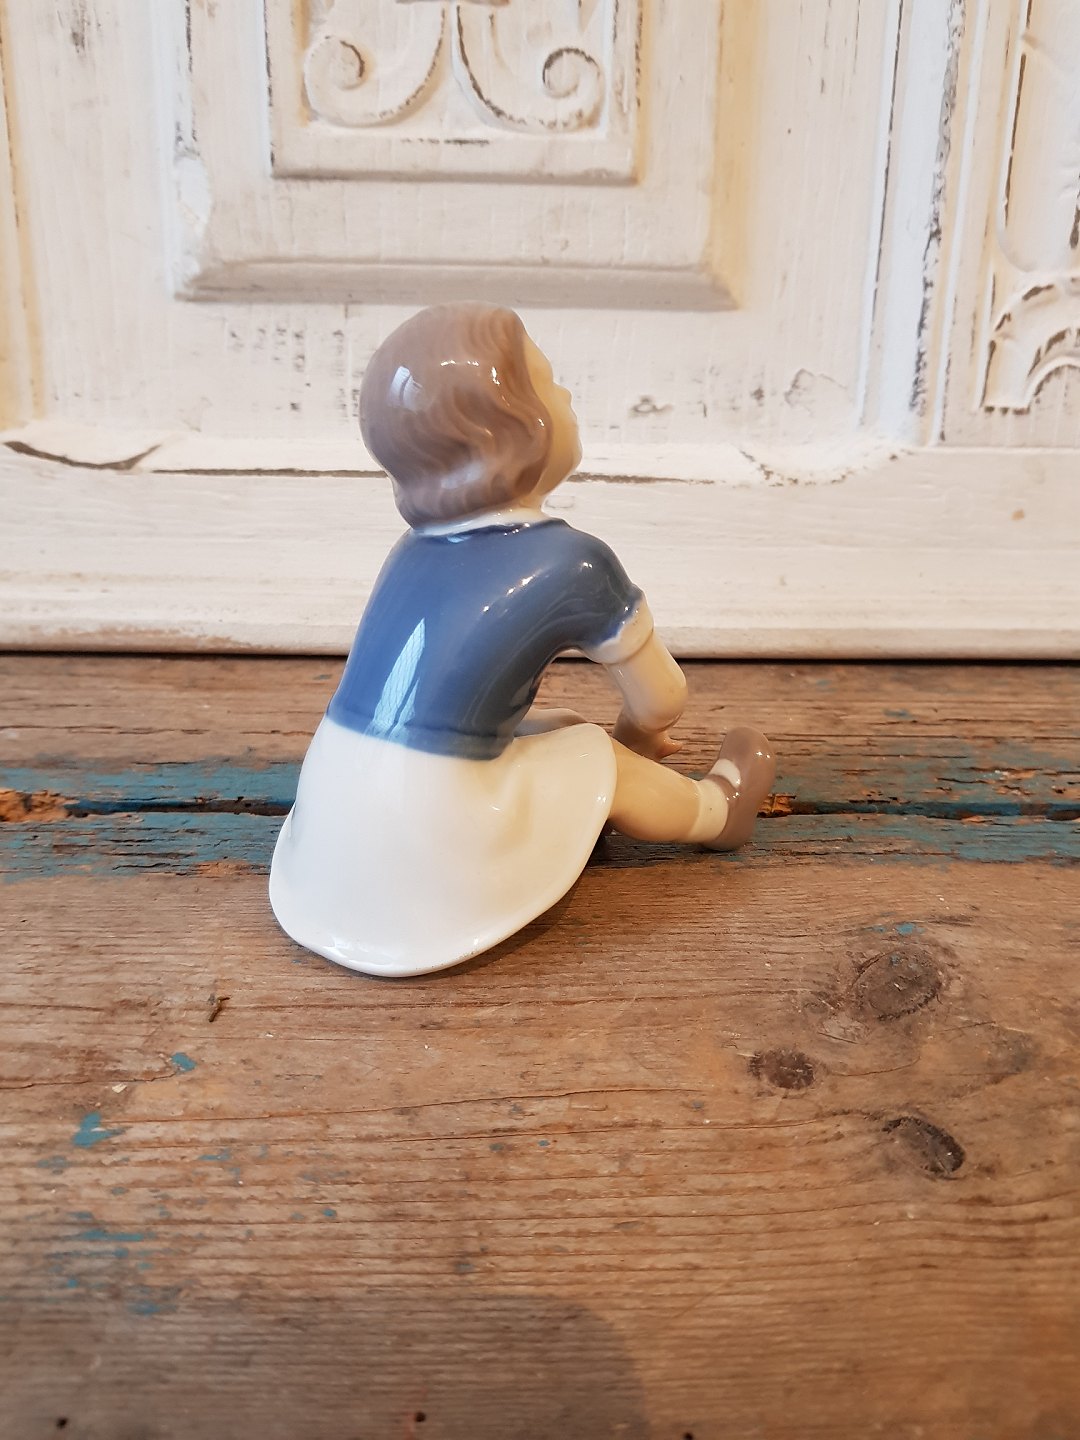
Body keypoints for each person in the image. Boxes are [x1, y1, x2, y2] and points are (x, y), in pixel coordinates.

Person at [269, 304, 775, 976]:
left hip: (335, 808)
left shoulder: (410, 552)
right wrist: (636, 740)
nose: (566, 394)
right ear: (507, 426)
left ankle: (577, 815)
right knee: (596, 751)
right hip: (433, 832)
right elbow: (662, 697)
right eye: (548, 379)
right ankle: (718, 811)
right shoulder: (573, 562)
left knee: (554, 728)